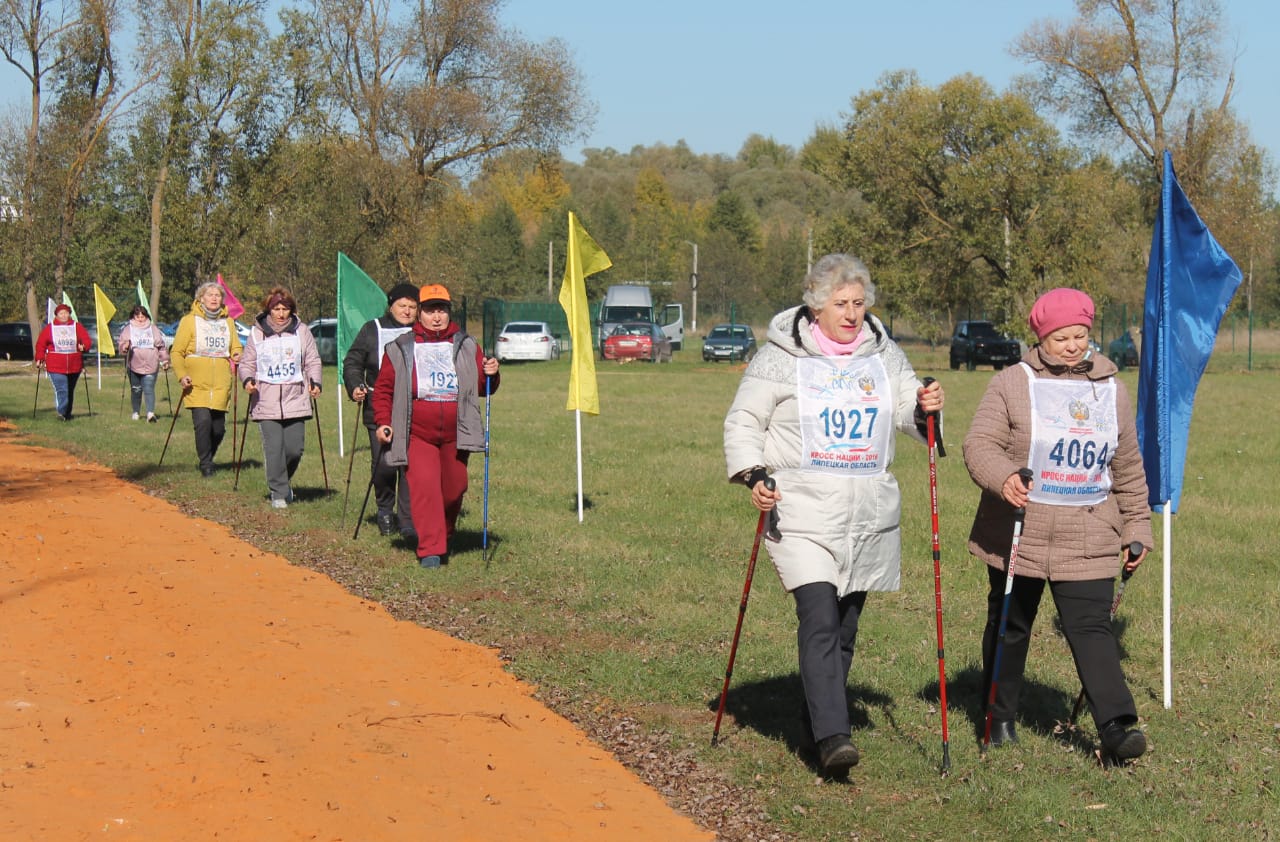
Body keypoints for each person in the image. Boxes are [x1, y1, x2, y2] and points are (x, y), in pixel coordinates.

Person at [723, 254, 944, 776]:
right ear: (815, 306)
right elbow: (744, 421)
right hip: (799, 507)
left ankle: (815, 714)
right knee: (819, 616)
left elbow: (909, 411)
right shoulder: (780, 357)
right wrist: (755, 476)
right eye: (840, 304)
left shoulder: (883, 354)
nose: (851, 313)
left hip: (867, 512)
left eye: (858, 303)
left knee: (845, 628)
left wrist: (925, 406)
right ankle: (832, 738)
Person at [963, 287, 1152, 760]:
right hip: (1019, 529)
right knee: (1010, 624)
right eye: (1062, 337)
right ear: (1041, 338)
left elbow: (1127, 466)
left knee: (1090, 626)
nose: (1072, 345)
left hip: (1088, 530)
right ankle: (998, 716)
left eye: (1081, 336)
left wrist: (1137, 528)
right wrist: (1003, 476)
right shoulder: (1012, 381)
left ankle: (1116, 726)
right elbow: (979, 444)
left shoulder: (1112, 389)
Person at [371, 284, 500, 568]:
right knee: (425, 487)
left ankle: (443, 531)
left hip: (457, 431)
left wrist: (492, 372)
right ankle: (431, 549)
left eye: (441, 309)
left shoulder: (466, 344)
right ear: (420, 314)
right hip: (417, 432)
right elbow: (382, 391)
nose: (436, 316)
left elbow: (482, 386)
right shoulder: (401, 347)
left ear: (449, 312)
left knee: (454, 488)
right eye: (430, 310)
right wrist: (383, 422)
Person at [343, 282, 419, 537]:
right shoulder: (372, 329)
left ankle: (407, 520)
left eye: (412, 307)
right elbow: (353, 361)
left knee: (409, 466)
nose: (407, 311)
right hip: (380, 407)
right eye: (402, 306)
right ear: (391, 306)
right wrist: (355, 386)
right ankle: (385, 510)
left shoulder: (421, 332)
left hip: (414, 409)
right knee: (385, 464)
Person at [238, 288, 323, 509]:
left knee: (295, 449)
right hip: (266, 400)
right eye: (276, 309)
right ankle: (278, 492)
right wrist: (247, 380)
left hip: (295, 399)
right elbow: (247, 363)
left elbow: (312, 360)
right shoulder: (257, 333)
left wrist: (315, 382)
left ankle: (282, 482)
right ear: (269, 309)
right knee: (274, 448)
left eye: (285, 309)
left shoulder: (302, 331)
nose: (281, 313)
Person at [171, 281, 243, 477]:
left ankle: (208, 455)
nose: (214, 298)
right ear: (200, 299)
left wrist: (237, 354)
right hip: (196, 383)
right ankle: (206, 465)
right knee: (203, 423)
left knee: (218, 429)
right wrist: (181, 375)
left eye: (218, 295)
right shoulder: (189, 321)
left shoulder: (227, 322)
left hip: (220, 383)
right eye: (209, 295)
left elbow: (236, 346)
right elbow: (176, 352)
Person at [34, 303, 92, 421]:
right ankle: (61, 412)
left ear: (69, 314)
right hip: (55, 365)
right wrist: (39, 358)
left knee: (70, 390)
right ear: (56, 315)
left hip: (74, 365)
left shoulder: (77, 326)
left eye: (66, 313)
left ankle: (67, 414)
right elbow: (41, 344)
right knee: (62, 389)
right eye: (61, 313)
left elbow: (86, 340)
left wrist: (84, 346)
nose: (64, 315)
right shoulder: (50, 328)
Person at [117, 305, 171, 422]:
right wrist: (124, 347)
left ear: (146, 316)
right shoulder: (128, 329)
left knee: (149, 389)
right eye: (138, 316)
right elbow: (121, 345)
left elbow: (161, 346)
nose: (140, 318)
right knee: (136, 389)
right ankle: (136, 412)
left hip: (151, 365)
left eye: (143, 316)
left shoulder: (153, 329)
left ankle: (150, 414)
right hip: (133, 365)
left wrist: (165, 360)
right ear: (133, 317)